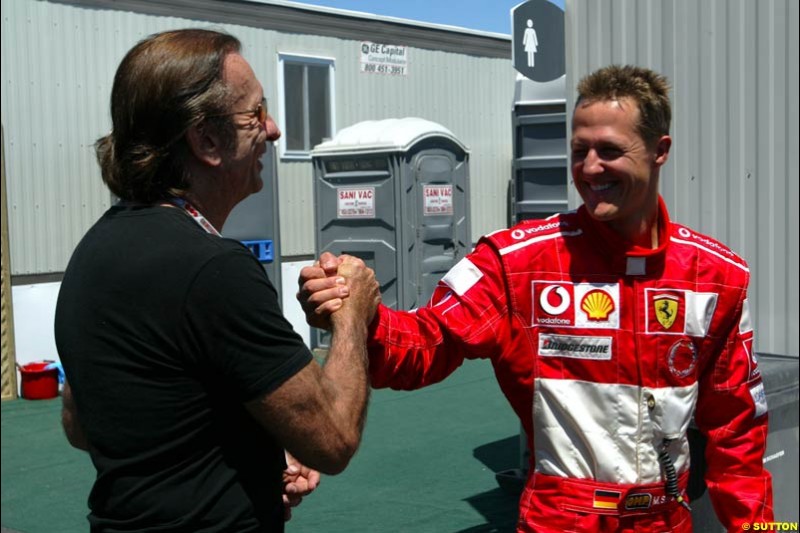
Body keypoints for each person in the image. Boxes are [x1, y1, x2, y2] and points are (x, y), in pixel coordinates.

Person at [298, 65, 773, 532]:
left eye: (609, 151)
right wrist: (358, 314)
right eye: (578, 151)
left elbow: (738, 435)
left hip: (665, 521)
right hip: (557, 521)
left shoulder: (717, 276)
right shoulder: (513, 261)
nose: (589, 169)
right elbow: (425, 346)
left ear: (659, 150)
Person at [55, 29, 380, 532]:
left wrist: (249, 460)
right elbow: (333, 439)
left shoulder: (93, 252)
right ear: (206, 141)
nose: (272, 130)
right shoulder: (214, 268)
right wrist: (352, 309)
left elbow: (82, 425)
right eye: (256, 114)